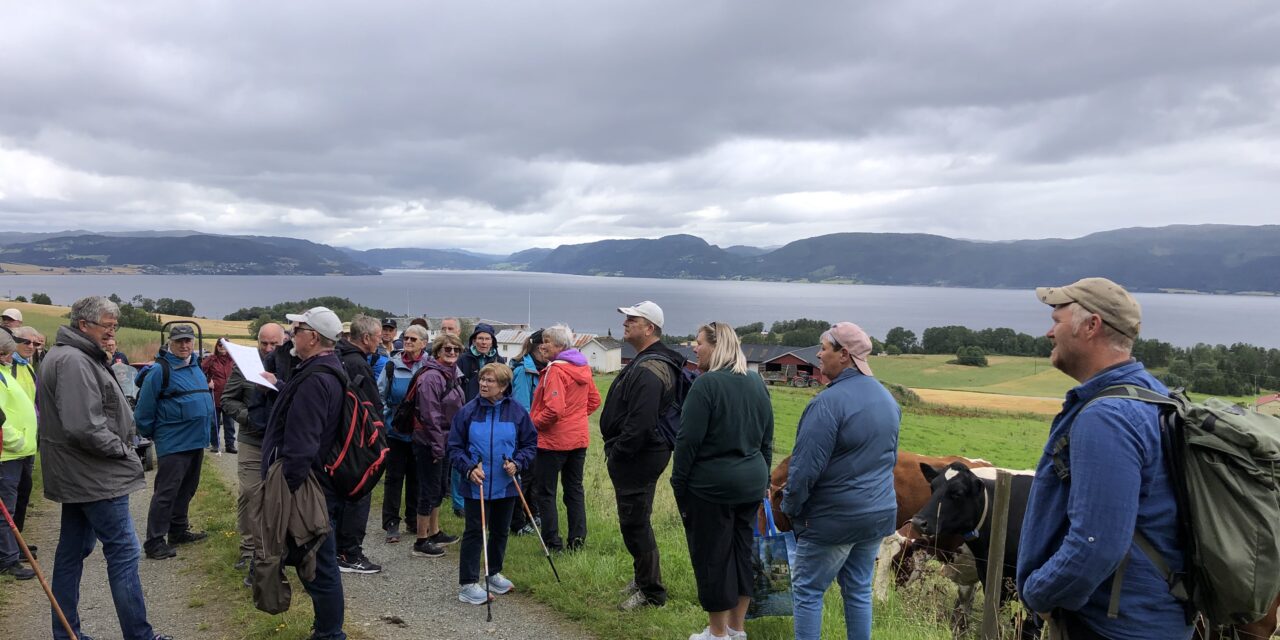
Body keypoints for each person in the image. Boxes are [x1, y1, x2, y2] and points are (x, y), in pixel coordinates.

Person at [1017, 278, 1192, 640]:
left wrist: (1039, 593)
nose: (1050, 332)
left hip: (1113, 626)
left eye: (1057, 319)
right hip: (1157, 615)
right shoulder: (1155, 396)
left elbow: (1096, 544)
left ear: (1091, 326)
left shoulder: (1108, 416)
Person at [37, 296, 173, 640]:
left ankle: (66, 632)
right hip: (94, 475)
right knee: (124, 552)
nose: (112, 333)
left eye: (115, 326)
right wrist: (125, 452)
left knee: (72, 552)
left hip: (80, 473)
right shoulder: (73, 361)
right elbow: (84, 427)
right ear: (84, 325)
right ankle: (139, 636)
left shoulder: (72, 355)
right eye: (108, 327)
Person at [780, 322, 899, 640]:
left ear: (844, 355)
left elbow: (804, 470)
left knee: (808, 590)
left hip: (833, 518)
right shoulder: (888, 400)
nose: (818, 354)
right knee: (858, 590)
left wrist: (790, 507)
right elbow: (889, 459)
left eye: (824, 348)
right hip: (876, 515)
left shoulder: (827, 404)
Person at [672, 322, 773, 640]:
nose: (694, 348)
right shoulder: (757, 382)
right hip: (751, 484)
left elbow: (687, 441)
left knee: (712, 558)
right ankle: (736, 629)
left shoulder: (706, 385)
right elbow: (767, 440)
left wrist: (679, 483)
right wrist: (764, 479)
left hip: (712, 488)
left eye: (699, 342)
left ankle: (716, 634)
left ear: (716, 346)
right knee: (743, 555)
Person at [259, 305, 349, 640]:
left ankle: (329, 633)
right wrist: (281, 386)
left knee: (318, 563)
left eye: (297, 329)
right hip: (315, 480)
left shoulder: (316, 378)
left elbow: (303, 442)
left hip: (307, 484)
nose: (291, 335)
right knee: (314, 557)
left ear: (312, 337)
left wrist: (287, 485)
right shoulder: (321, 370)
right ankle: (327, 629)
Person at [599, 301, 686, 610]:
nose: (625, 323)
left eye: (632, 319)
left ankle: (652, 593)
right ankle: (643, 578)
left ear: (649, 328)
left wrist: (619, 453)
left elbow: (641, 422)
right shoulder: (650, 360)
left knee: (634, 522)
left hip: (639, 456)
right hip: (643, 454)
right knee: (636, 520)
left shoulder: (651, 368)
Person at [447, 362, 538, 604]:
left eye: (491, 381)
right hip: (475, 484)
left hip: (506, 484)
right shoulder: (467, 412)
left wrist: (517, 463)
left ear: (504, 386)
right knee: (475, 532)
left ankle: (493, 572)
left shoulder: (517, 412)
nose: (484, 384)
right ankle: (468, 584)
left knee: (500, 531)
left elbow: (530, 445)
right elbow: (454, 448)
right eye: (483, 380)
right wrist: (468, 468)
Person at [134, 324, 215, 560]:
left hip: (195, 440)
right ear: (170, 342)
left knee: (188, 488)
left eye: (187, 340)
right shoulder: (160, 370)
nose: (184, 345)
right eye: (179, 341)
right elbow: (144, 411)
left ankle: (178, 530)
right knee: (166, 492)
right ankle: (154, 541)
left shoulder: (195, 365)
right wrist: (155, 434)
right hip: (173, 442)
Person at [220, 322, 286, 576]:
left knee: (276, 496)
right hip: (252, 439)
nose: (268, 348)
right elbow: (228, 400)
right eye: (264, 343)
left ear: (284, 341)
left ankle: (271, 550)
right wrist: (250, 417)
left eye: (274, 344)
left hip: (280, 441)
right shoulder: (245, 365)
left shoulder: (289, 365)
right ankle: (249, 549)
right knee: (250, 492)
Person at [529, 323, 600, 554]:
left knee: (546, 492)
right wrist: (576, 418)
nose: (542, 345)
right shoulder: (583, 367)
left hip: (552, 442)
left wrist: (533, 425)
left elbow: (554, 410)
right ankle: (577, 541)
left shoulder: (556, 370)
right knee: (574, 489)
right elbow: (594, 401)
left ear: (560, 345)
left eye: (547, 341)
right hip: (578, 440)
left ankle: (552, 543)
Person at [332, 315, 385, 574]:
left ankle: (337, 550)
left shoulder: (338, 355)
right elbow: (369, 405)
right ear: (365, 338)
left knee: (340, 496)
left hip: (340, 441)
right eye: (378, 337)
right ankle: (350, 553)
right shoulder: (357, 364)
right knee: (358, 493)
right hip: (357, 442)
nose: (382, 341)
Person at [410, 333, 466, 558]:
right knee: (428, 490)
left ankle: (434, 532)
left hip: (444, 440)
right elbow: (429, 415)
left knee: (439, 488)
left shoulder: (451, 374)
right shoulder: (432, 377)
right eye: (447, 349)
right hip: (429, 442)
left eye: (456, 350)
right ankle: (421, 540)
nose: (452, 353)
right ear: (437, 351)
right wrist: (437, 446)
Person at [378, 324, 429, 543]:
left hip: (420, 432)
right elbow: (380, 394)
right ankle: (391, 523)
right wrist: (383, 423)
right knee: (394, 477)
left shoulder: (430, 366)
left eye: (413, 339)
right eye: (406, 338)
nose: (407, 342)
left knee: (417, 477)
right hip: (396, 431)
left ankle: (412, 518)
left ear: (424, 343)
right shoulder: (392, 365)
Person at [452, 323, 505, 515]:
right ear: (474, 340)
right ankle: (459, 503)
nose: (483, 342)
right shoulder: (464, 359)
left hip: (492, 412)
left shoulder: (499, 359)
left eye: (487, 338)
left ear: (492, 341)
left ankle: (487, 495)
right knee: (463, 455)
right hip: (467, 412)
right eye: (480, 338)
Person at [0, 329, 38, 580]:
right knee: (6, 510)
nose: (12, 356)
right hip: (7, 454)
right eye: (8, 352)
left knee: (13, 506)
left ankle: (12, 550)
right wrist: (17, 440)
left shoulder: (4, 374)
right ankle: (7, 559)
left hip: (18, 453)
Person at [506, 329, 545, 536]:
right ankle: (517, 523)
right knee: (523, 477)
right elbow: (522, 407)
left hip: (537, 432)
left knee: (534, 477)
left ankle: (533, 514)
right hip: (526, 432)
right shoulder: (524, 370)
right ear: (539, 346)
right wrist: (530, 433)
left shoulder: (542, 368)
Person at [8, 326, 39, 534]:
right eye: (26, 342)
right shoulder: (8, 368)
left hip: (28, 444)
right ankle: (9, 551)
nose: (31, 347)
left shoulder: (27, 367)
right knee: (10, 500)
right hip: (11, 445)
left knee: (23, 495)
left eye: (35, 344)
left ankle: (17, 546)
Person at [202, 338, 236, 453]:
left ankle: (230, 445)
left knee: (230, 423)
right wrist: (207, 382)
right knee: (214, 422)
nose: (222, 347)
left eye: (224, 345)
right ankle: (215, 444)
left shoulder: (233, 360)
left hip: (229, 396)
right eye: (219, 345)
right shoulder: (211, 359)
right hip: (214, 395)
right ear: (216, 347)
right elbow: (200, 371)